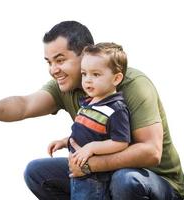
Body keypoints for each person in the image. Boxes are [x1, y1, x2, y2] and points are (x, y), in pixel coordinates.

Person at [0, 21, 184, 199]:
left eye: (60, 60)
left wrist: (89, 165)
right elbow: (24, 105)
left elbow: (151, 152)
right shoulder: (66, 86)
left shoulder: (130, 84)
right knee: (37, 173)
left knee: (124, 181)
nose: (54, 70)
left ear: (86, 53)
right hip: (101, 175)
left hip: (156, 181)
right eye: (49, 62)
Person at [48, 42, 131, 200]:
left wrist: (92, 148)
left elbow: (121, 142)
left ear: (116, 78)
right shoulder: (88, 102)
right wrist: (65, 141)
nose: (87, 80)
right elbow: (87, 132)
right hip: (78, 172)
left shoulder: (115, 109)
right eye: (84, 74)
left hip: (94, 178)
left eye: (96, 74)